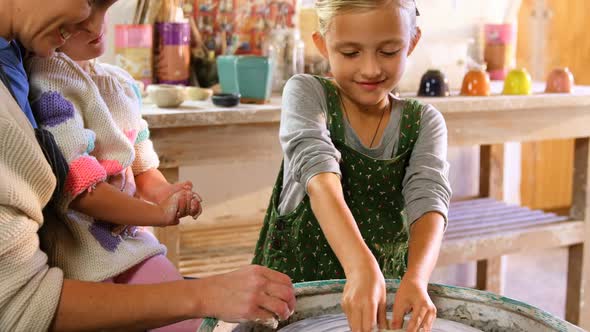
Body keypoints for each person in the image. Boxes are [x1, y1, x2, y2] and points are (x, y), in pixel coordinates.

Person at [0, 1, 295, 331]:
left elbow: (142, 165)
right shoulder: (47, 79)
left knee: (191, 321)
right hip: (77, 252)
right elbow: (80, 189)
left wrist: (166, 195)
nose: (94, 24)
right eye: (88, 6)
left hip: (129, 242)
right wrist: (157, 216)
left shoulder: (118, 83)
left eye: (105, 10)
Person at [252, 1, 452, 331]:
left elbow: (429, 201)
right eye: (350, 53)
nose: (371, 68)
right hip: (290, 301)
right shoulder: (306, 93)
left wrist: (416, 279)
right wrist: (359, 266)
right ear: (322, 44)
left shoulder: (424, 122)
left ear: (412, 42)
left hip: (379, 302)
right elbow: (319, 175)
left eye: (388, 51)